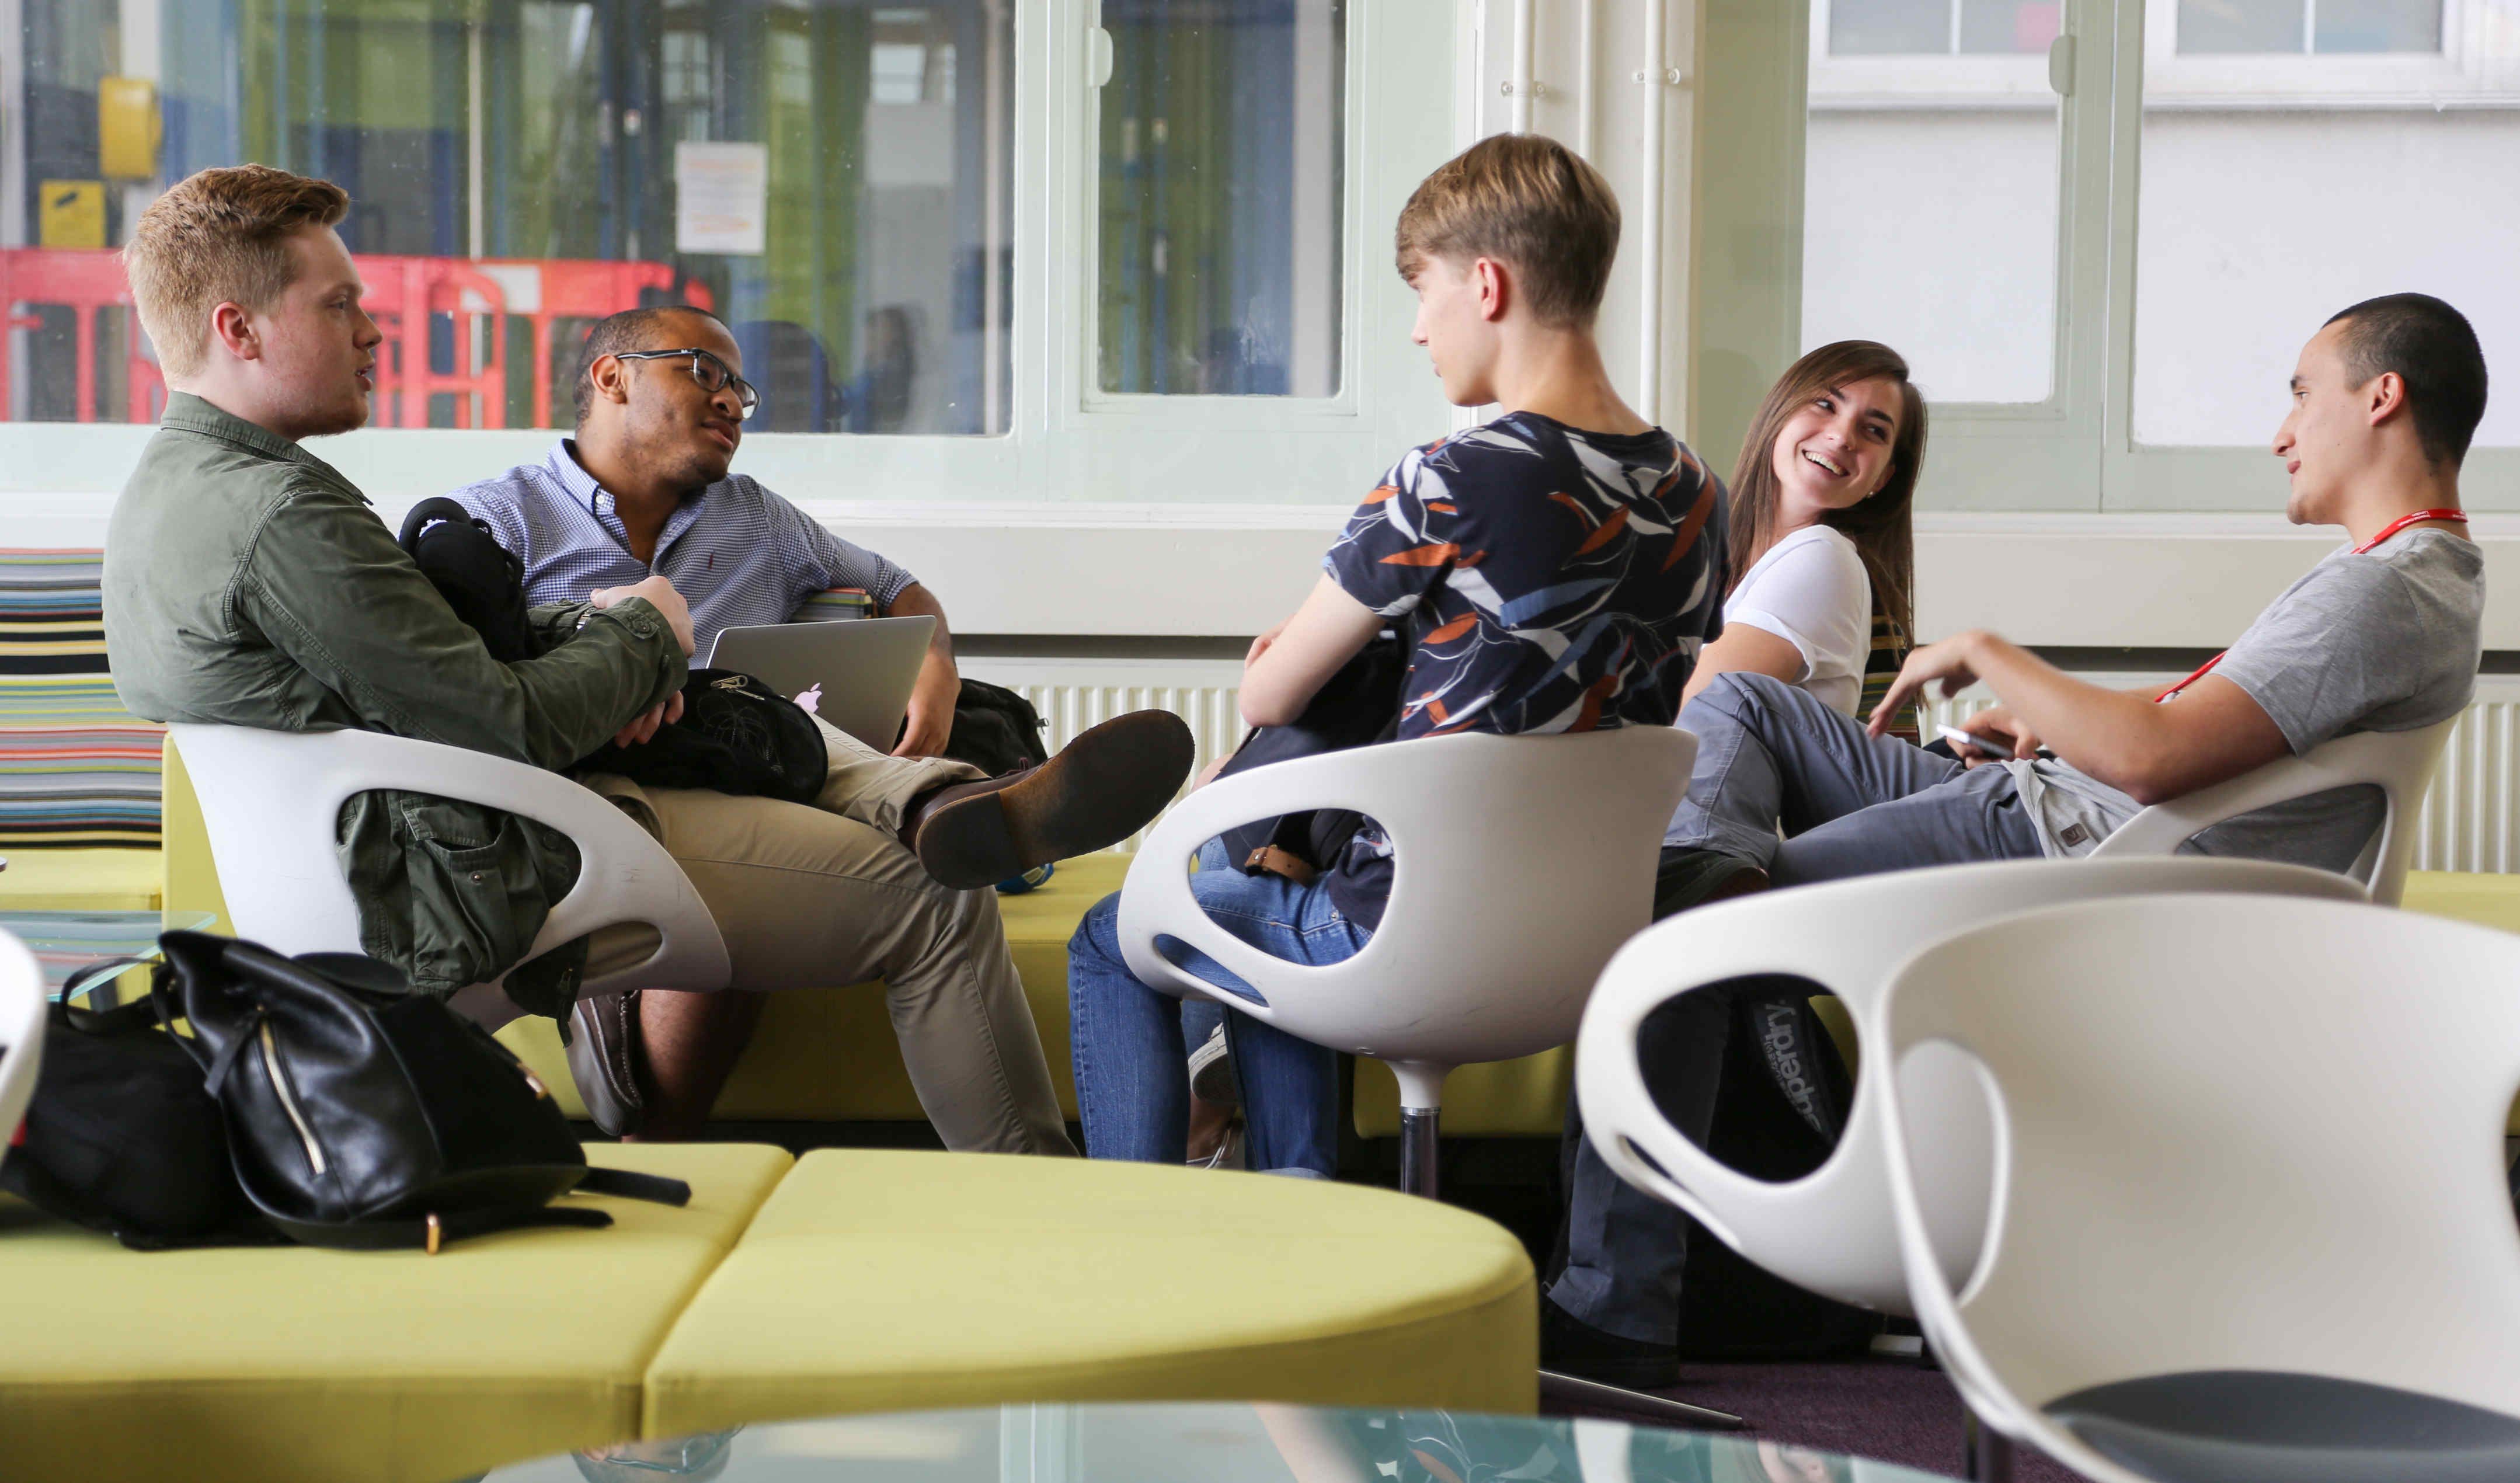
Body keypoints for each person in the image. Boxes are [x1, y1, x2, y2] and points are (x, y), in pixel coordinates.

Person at [104, 165, 1185, 1160]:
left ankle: (949, 801)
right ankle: (1040, 1210)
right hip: (470, 863)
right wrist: (647, 629)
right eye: (339, 304)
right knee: (935, 902)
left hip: (384, 854)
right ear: (238, 328)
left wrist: (607, 650)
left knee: (744, 716)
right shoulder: (288, 512)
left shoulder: (172, 494)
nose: (374, 332)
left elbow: (439, 683)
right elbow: (506, 723)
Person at [1543, 292, 2488, 1386]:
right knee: (1741, 714)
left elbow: (2152, 759)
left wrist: (1989, 653)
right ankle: (1721, 900)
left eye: (2298, 395)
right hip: (2047, 800)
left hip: (2052, 843)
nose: (2282, 430)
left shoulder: (2386, 591)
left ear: (2383, 398)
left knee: (1674, 932)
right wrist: (2051, 722)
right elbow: (2197, 728)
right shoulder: (2414, 579)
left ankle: (1618, 1309)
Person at [1065, 132, 1728, 1178]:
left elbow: (1273, 688)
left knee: (1116, 937)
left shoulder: (1451, 476)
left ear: (1488, 282)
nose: (1420, 330)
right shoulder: (1695, 488)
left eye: (1423, 292)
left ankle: (1147, 1252)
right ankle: (1301, 1228)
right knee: (1263, 913)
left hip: (1405, 933)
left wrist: (1281, 652)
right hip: (1586, 942)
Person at [447, 305, 1191, 1137]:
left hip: (765, 778)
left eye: (742, 388)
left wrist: (935, 672)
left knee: (827, 781)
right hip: (606, 789)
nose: (731, 400)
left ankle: (959, 814)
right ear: (612, 376)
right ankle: (955, 806)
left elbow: (898, 586)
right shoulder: (498, 521)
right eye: (703, 371)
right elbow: (474, 703)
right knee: (756, 731)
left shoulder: (754, 516)